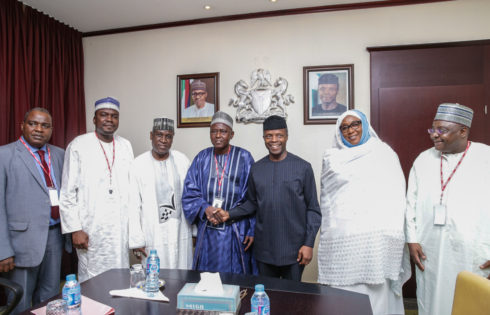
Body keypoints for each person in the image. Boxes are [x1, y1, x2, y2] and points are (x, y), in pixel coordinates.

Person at [317, 110, 410, 315]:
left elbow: (396, 195)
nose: (351, 130)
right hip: (340, 238)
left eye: (356, 124)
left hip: (376, 240)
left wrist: (392, 233)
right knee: (343, 294)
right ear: (339, 132)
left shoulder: (383, 152)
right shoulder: (332, 157)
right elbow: (327, 200)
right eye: (345, 127)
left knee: (376, 294)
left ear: (365, 125)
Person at [406, 103, 490, 315]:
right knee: (432, 299)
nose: (435, 135)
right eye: (433, 129)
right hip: (430, 249)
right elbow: (410, 203)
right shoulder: (423, 159)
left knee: (469, 300)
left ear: (463, 131)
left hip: (473, 250)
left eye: (442, 130)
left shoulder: (486, 157)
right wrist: (412, 239)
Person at [217, 115, 321, 281]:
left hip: (295, 251)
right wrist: (229, 214)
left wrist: (308, 243)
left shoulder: (303, 168)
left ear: (286, 136)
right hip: (264, 251)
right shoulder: (257, 169)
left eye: (279, 135)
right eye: (269, 136)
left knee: (293, 301)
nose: (274, 140)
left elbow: (313, 209)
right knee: (266, 299)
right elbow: (252, 203)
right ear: (264, 138)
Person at [0, 108, 70, 313]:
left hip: (55, 237)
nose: (39, 129)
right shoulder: (4, 155)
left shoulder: (60, 154)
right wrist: (3, 251)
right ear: (22, 126)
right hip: (20, 242)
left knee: (50, 298)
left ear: (51, 129)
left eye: (45, 125)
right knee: (20, 301)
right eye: (33, 123)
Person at [60, 97, 134, 282]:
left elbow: (132, 189)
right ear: (94, 119)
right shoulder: (78, 145)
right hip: (90, 229)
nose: (109, 119)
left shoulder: (126, 145)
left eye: (114, 116)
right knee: (91, 281)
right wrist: (75, 229)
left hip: (119, 229)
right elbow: (67, 191)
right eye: (104, 115)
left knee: (121, 277)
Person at [182, 111, 257, 274]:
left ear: (231, 134)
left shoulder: (244, 157)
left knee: (235, 280)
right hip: (207, 230)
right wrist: (205, 208)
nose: (217, 135)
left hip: (236, 229)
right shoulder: (202, 157)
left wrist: (252, 230)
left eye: (222, 131)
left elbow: (253, 196)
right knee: (206, 278)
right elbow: (189, 192)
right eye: (213, 131)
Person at [129, 118, 192, 269]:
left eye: (168, 136)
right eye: (159, 135)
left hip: (180, 230)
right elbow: (133, 204)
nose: (163, 140)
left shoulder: (182, 160)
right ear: (151, 135)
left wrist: (195, 232)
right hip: (153, 232)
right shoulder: (138, 164)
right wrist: (137, 241)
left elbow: (191, 198)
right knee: (155, 277)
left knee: (183, 274)